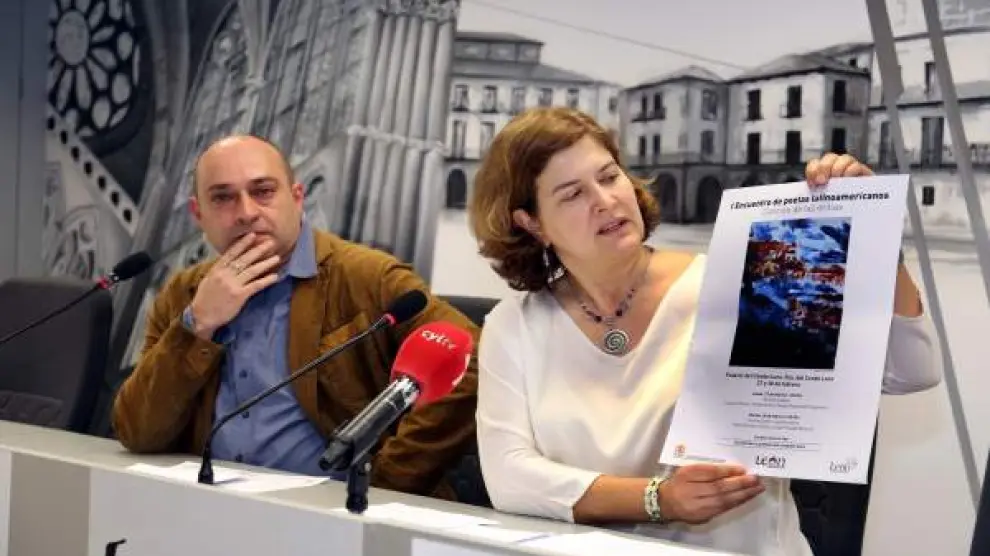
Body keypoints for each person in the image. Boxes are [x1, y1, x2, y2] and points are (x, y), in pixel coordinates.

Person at [467, 107, 940, 555]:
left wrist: (879, 240)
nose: (606, 201)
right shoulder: (514, 326)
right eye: (573, 194)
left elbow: (910, 371)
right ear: (532, 223)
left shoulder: (741, 283)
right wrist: (658, 499)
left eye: (609, 177)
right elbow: (510, 477)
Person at [112, 134, 479, 500]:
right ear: (199, 215)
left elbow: (472, 360)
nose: (246, 212)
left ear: (297, 197)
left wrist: (385, 483)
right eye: (222, 198)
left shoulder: (367, 278)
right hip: (212, 506)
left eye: (263, 191)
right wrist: (199, 324)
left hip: (334, 515)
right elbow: (137, 432)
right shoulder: (184, 294)